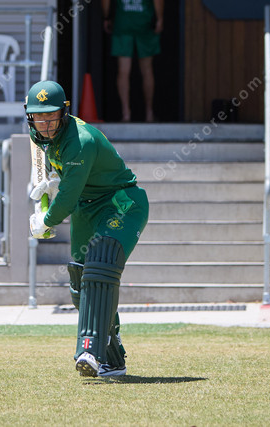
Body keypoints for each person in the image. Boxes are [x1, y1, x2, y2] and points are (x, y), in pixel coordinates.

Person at [24, 80, 149, 377]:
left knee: (100, 263)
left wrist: (46, 220)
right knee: (80, 280)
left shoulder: (81, 140)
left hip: (120, 202)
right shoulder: (39, 135)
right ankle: (112, 358)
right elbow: (61, 174)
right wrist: (52, 180)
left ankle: (89, 351)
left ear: (64, 112)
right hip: (86, 206)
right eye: (39, 117)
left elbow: (67, 198)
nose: (45, 124)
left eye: (51, 116)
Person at [102, 0, 164, 122]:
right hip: (144, 23)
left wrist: (106, 17)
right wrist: (160, 18)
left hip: (123, 23)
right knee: (147, 70)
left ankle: (126, 113)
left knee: (123, 71)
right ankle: (149, 113)